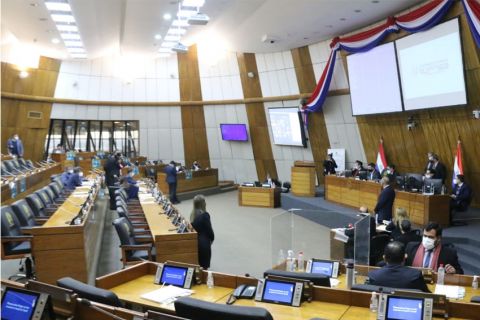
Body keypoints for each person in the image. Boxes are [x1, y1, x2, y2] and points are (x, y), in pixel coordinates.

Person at [189, 195, 214, 269]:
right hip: (204, 244)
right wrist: (212, 239)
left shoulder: (192, 215)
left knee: (198, 265)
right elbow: (210, 231)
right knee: (204, 267)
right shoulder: (205, 215)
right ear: (202, 204)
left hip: (196, 242)